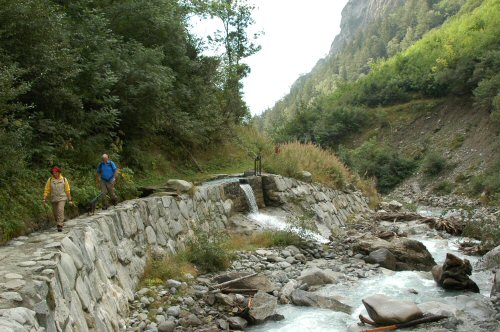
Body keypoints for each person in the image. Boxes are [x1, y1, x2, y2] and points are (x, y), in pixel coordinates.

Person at [42, 166, 73, 232]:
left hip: (62, 198)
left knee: (60, 209)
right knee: (55, 213)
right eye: (53, 173)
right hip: (54, 198)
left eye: (56, 173)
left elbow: (67, 190)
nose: (54, 174)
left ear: (59, 172)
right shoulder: (50, 180)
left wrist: (70, 199)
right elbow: (46, 190)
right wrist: (44, 199)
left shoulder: (64, 179)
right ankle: (59, 221)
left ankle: (60, 225)